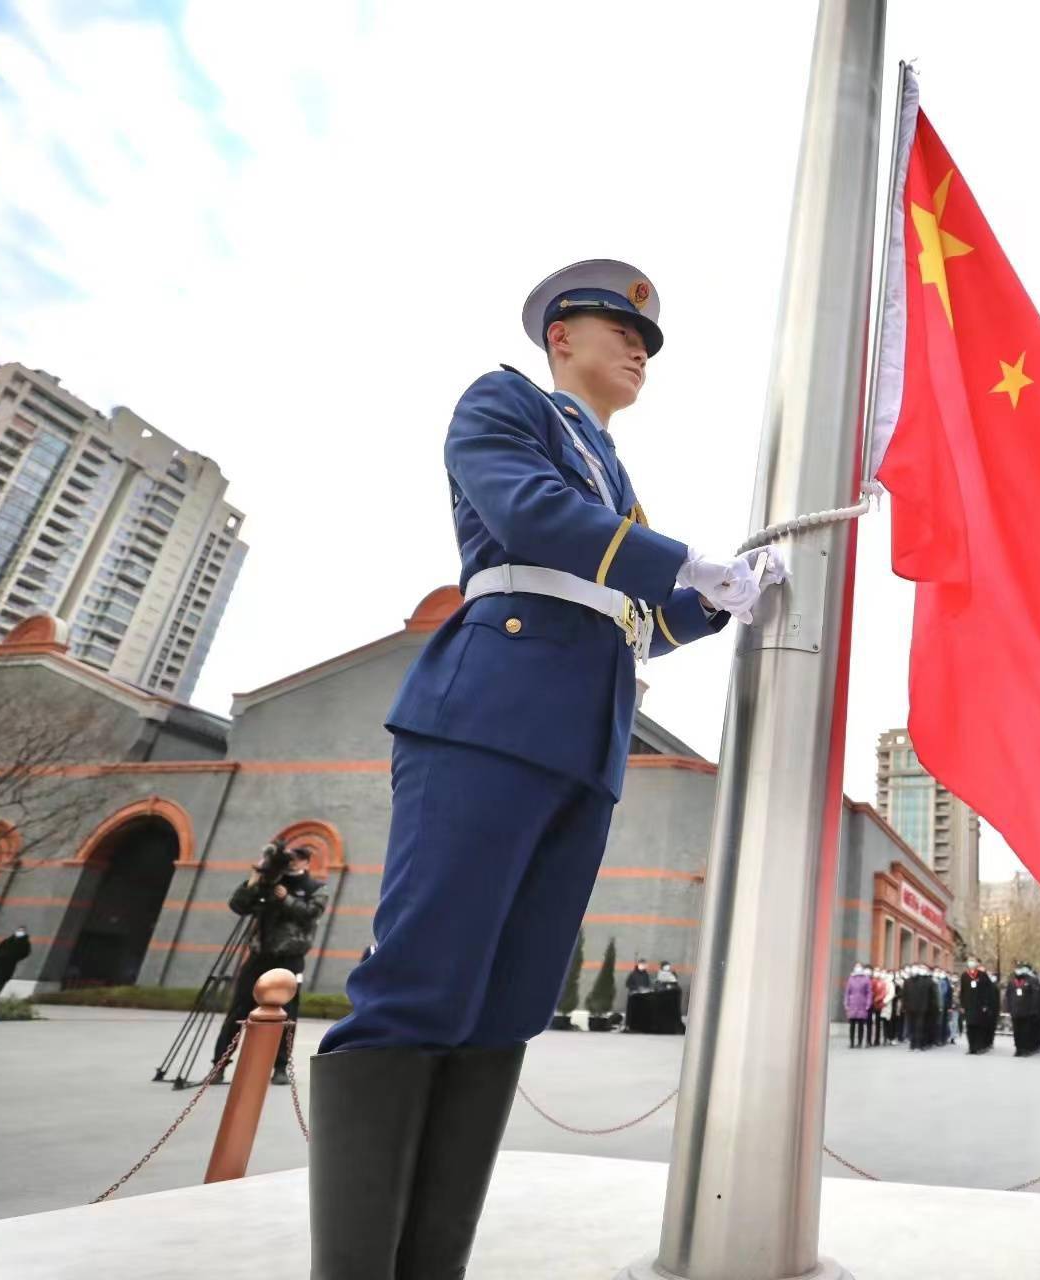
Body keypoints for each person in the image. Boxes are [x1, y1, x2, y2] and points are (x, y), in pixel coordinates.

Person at [307, 259, 787, 1276]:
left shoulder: (616, 477)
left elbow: (636, 624)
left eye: (648, 342)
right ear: (562, 333)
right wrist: (678, 558)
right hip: (487, 716)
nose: (638, 351)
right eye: (622, 329)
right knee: (420, 985)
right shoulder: (507, 402)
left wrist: (721, 596)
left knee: (504, 1004)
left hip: (583, 742)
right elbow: (527, 516)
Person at [212, 844, 326, 1086]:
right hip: (258, 955)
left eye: (298, 858)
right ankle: (219, 1065)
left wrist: (287, 899)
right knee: (238, 1010)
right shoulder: (268, 881)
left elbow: (311, 913)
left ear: (307, 862)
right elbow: (238, 906)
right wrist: (255, 877)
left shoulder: (314, 888)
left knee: (288, 1015)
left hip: (289, 959)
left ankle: (281, 1067)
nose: (292, 862)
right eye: (289, 858)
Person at [963, 959, 999, 1054]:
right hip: (969, 1006)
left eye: (973, 961)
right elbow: (962, 991)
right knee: (970, 1027)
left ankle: (978, 1047)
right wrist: (962, 1005)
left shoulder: (982, 975)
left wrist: (985, 1004)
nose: (971, 963)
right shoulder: (965, 975)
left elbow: (988, 991)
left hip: (980, 1006)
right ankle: (971, 1047)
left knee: (979, 1027)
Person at [1006, 964, 1040, 1057]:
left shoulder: (1030, 981)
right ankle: (1018, 1048)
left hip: (1027, 1011)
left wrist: (1033, 1009)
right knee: (1017, 1031)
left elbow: (1035, 996)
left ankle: (1025, 1049)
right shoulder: (1012, 981)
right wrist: (1009, 1008)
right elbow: (1008, 995)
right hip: (1015, 1011)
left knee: (1026, 1031)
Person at [846, 963, 873, 1048]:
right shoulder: (851, 979)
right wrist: (846, 1003)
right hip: (852, 1003)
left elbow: (869, 993)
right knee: (852, 1025)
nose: (858, 968)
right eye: (856, 967)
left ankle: (860, 1042)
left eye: (859, 967)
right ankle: (851, 1042)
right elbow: (847, 992)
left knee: (861, 1025)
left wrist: (868, 1003)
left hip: (862, 1003)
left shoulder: (866, 979)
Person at [624, 959, 655, 1033]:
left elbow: (648, 984)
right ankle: (629, 1026)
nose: (643, 966)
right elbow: (628, 984)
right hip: (634, 996)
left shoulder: (646, 974)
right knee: (632, 1012)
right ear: (638, 965)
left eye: (644, 965)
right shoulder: (633, 974)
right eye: (641, 964)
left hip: (643, 997)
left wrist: (646, 989)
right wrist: (636, 988)